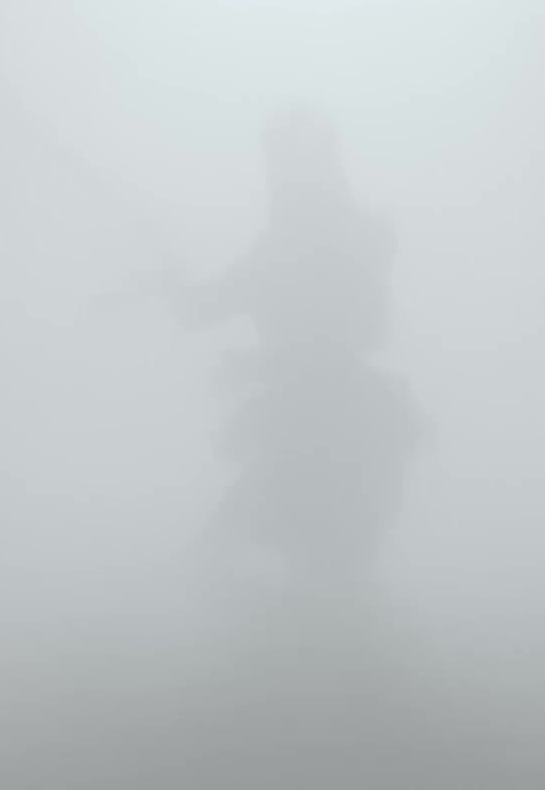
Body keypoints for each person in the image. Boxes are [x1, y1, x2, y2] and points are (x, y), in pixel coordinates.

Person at [159, 107, 421, 600]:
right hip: (344, 427)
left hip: (317, 430)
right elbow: (201, 310)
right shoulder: (346, 238)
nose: (277, 176)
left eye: (283, 162)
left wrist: (261, 363)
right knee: (319, 571)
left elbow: (202, 310)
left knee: (276, 562)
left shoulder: (300, 245)